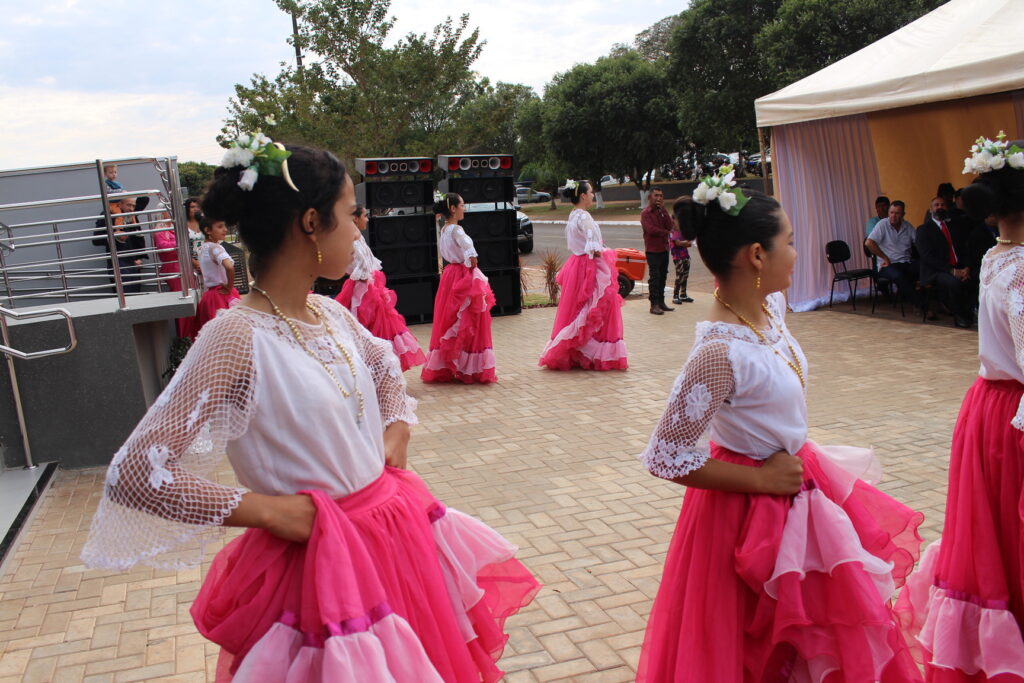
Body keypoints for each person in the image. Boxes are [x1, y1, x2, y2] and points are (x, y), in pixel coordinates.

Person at [81, 138, 539, 681]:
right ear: (310, 222)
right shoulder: (235, 334)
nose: (357, 229)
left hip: (393, 534)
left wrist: (395, 433)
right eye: (348, 216)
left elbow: (386, 367)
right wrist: (272, 512)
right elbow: (136, 472)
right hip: (322, 566)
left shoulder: (327, 311)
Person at [636, 167, 923, 682]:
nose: (796, 250)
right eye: (788, 241)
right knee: (757, 645)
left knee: (819, 638)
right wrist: (760, 480)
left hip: (800, 489)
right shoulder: (717, 351)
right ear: (756, 255)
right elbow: (666, 454)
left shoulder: (772, 307)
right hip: (744, 516)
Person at [895, 134, 1024, 681]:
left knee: (995, 532)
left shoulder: (998, 256)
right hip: (1014, 413)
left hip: (990, 406)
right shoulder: (1018, 270)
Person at [538, 180, 628, 371]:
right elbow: (593, 245)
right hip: (588, 266)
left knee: (579, 308)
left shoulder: (573, 215)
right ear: (583, 196)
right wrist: (601, 253)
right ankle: (592, 351)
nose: (593, 195)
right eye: (591, 192)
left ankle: (580, 349)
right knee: (596, 306)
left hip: (577, 265)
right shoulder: (583, 217)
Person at [336, 205, 425, 372]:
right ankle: (370, 366)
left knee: (382, 323)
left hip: (370, 287)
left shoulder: (358, 238)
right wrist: (366, 279)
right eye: (364, 216)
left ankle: (380, 367)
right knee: (366, 324)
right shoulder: (351, 239)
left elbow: (367, 264)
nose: (367, 219)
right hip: (363, 289)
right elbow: (357, 267)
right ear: (355, 219)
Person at [421, 193, 497, 384]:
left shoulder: (444, 229)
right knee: (469, 319)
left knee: (451, 317)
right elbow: (471, 257)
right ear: (453, 208)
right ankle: (467, 365)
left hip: (449, 276)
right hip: (462, 276)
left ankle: (452, 363)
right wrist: (471, 269)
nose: (465, 208)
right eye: (462, 205)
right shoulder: (457, 230)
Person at [916, 196, 974, 328]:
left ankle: (973, 313)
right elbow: (927, 257)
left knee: (976, 278)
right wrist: (952, 271)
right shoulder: (924, 230)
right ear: (931, 209)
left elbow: (964, 249)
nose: (940, 207)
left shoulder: (954, 227)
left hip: (958, 267)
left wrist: (967, 268)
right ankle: (960, 316)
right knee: (954, 283)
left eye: (943, 204)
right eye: (936, 205)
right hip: (935, 271)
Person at [193, 214, 240, 333]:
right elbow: (229, 267)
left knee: (215, 333)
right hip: (222, 294)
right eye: (220, 227)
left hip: (209, 297)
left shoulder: (202, 248)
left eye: (224, 226)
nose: (225, 229)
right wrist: (229, 287)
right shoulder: (215, 248)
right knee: (230, 332)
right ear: (208, 230)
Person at [866, 200, 918, 305]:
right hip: (887, 265)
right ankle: (921, 306)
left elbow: (918, 241)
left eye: (897, 213)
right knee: (900, 276)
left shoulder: (907, 226)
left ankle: (940, 302)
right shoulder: (882, 224)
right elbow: (869, 243)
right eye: (891, 212)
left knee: (925, 268)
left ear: (903, 214)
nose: (893, 216)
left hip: (905, 262)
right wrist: (884, 257)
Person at [642, 187, 674, 315]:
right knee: (655, 278)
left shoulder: (662, 212)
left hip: (664, 249)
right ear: (649, 197)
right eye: (656, 195)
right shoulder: (645, 213)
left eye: (661, 196)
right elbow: (652, 230)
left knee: (663, 276)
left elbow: (670, 225)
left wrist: (664, 210)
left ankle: (661, 302)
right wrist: (667, 233)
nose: (659, 198)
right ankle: (653, 304)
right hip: (652, 250)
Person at [670, 197, 695, 304]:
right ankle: (675, 295)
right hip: (677, 256)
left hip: (685, 255)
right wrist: (685, 242)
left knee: (685, 275)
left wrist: (685, 242)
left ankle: (683, 294)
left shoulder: (682, 230)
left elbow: (689, 243)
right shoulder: (672, 232)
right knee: (679, 275)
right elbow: (678, 243)